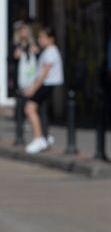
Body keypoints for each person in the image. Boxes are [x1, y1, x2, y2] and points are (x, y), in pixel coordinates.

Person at [24, 26, 63, 154]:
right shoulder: (47, 51)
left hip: (46, 84)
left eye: (42, 37)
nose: (40, 40)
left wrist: (33, 88)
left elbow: (44, 73)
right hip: (45, 84)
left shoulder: (51, 51)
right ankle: (45, 137)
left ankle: (39, 138)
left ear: (51, 38)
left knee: (29, 108)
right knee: (41, 111)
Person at [11, 20, 38, 145]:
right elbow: (13, 57)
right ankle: (20, 131)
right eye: (22, 30)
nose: (24, 33)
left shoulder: (32, 44)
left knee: (30, 105)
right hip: (20, 79)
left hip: (31, 79)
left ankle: (33, 130)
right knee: (21, 104)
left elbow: (37, 53)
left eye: (26, 30)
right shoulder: (16, 44)